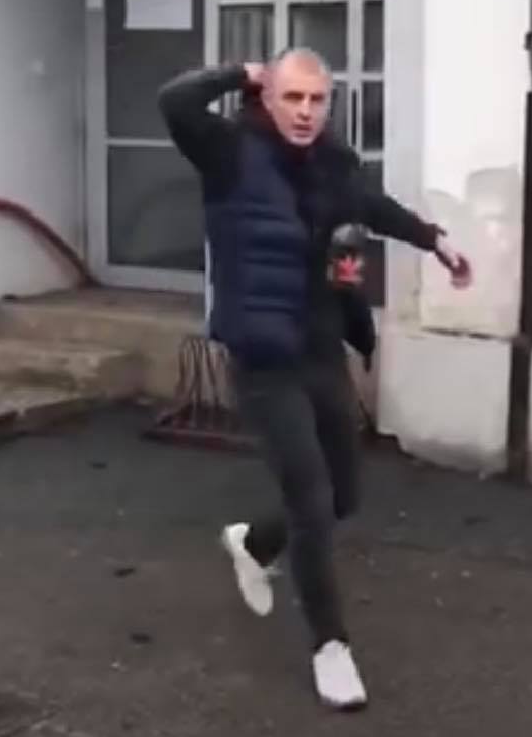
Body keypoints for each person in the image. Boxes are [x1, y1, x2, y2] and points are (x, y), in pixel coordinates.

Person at [158, 49, 473, 711]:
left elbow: (373, 207)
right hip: (262, 359)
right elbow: (175, 102)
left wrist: (434, 241)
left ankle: (253, 542)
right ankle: (331, 646)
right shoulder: (227, 152)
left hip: (320, 350)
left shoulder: (333, 165)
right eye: (291, 97)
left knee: (343, 497)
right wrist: (238, 74)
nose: (304, 112)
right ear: (268, 97)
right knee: (310, 500)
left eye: (316, 99)